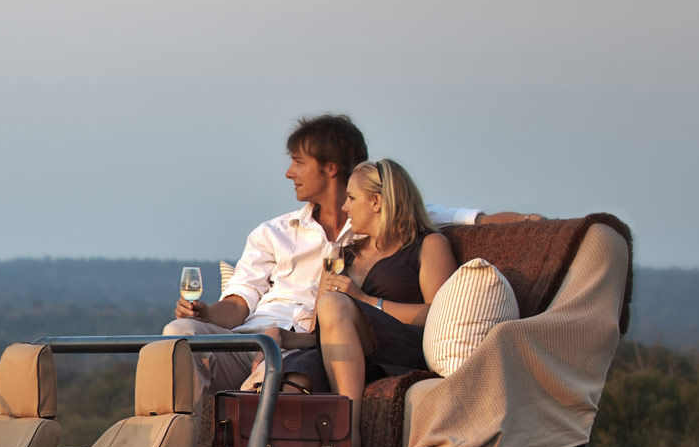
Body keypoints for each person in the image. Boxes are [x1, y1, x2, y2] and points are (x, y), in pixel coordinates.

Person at [166, 114, 534, 391]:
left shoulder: (385, 220)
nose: (288, 172)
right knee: (177, 333)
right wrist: (206, 312)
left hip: (311, 342)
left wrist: (531, 221)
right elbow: (239, 302)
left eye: (298, 162)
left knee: (287, 362)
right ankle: (189, 440)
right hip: (260, 336)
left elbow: (471, 219)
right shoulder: (273, 233)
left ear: (330, 168)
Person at [280, 158, 454, 447]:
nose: (344, 207)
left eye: (351, 197)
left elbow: (441, 314)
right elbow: (318, 332)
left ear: (376, 201)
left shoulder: (428, 245)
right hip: (350, 352)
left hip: (401, 344)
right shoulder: (342, 254)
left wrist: (366, 301)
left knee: (335, 303)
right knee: (296, 374)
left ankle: (349, 434)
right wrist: (284, 338)